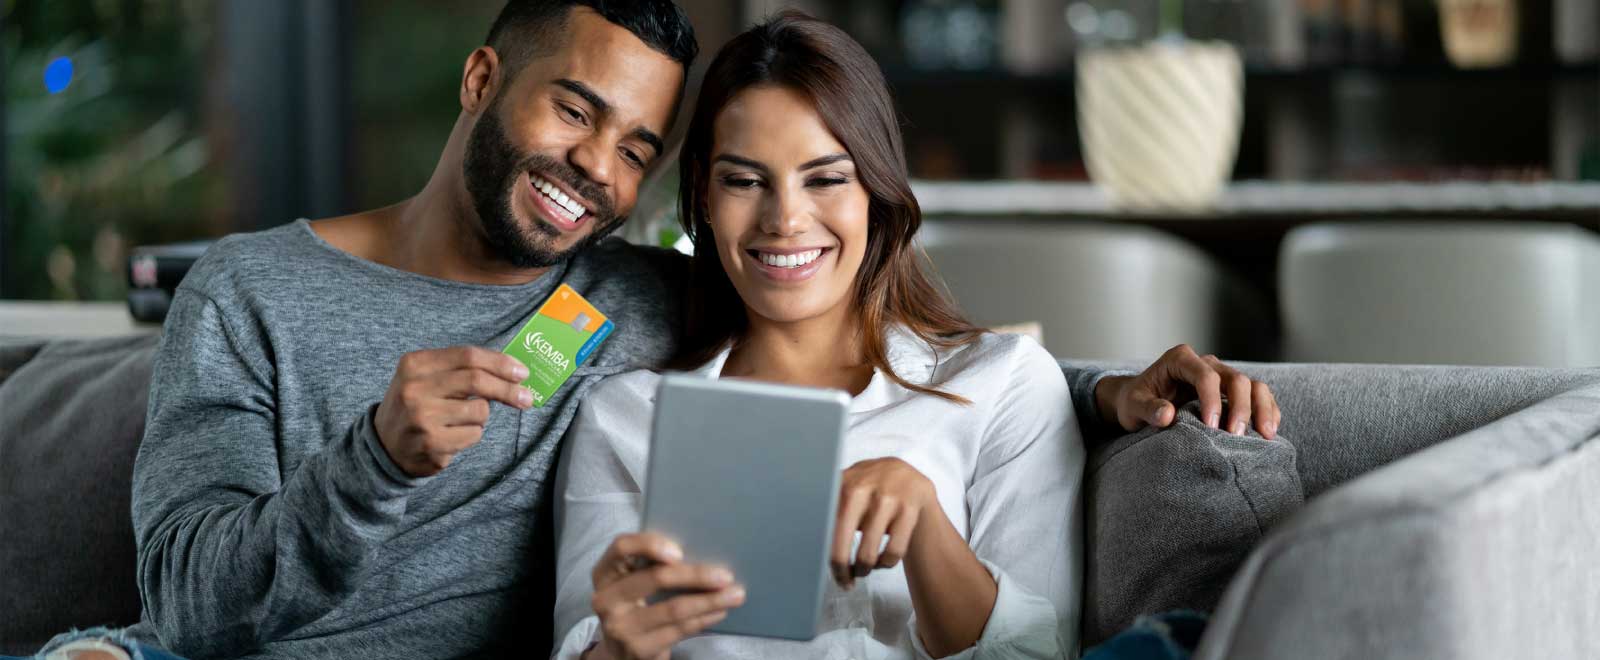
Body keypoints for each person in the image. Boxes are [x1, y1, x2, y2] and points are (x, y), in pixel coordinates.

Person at [18, 2, 1275, 659]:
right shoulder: (245, 291)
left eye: (633, 151)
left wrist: (1105, 394)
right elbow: (184, 604)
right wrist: (376, 459)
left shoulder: (614, 301)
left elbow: (879, 351)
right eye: (575, 111)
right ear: (479, 81)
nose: (595, 175)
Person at [550, 12, 1279, 660]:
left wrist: (928, 524)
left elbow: (1036, 652)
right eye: (745, 182)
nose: (785, 220)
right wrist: (617, 649)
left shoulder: (1002, 384)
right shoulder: (626, 417)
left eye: (826, 179)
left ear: (876, 190)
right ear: (704, 196)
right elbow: (580, 643)